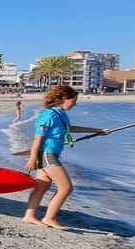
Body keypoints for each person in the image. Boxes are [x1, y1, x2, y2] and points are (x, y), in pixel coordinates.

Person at [22, 85, 108, 230]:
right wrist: (32, 159)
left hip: (51, 154)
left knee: (42, 187)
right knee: (66, 188)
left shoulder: (60, 114)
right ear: (63, 99)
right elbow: (37, 139)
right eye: (73, 100)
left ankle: (29, 216)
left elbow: (70, 129)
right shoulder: (48, 115)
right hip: (47, 155)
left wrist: (97, 131)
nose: (75, 103)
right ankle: (49, 218)